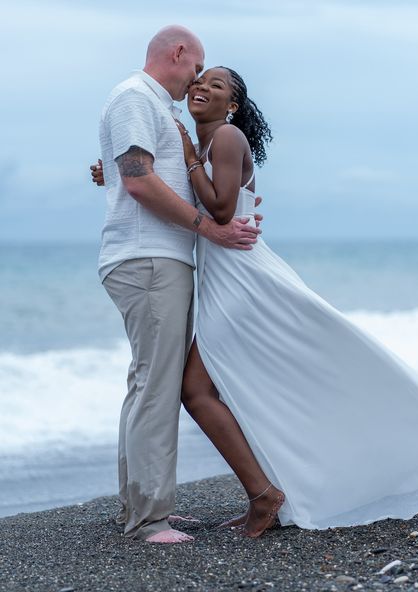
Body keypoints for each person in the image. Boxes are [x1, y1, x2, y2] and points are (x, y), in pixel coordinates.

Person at [93, 65, 418, 540]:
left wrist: (190, 158)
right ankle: (268, 491)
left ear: (231, 105)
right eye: (199, 80)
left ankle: (264, 495)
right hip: (223, 275)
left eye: (216, 85)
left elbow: (222, 209)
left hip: (242, 278)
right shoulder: (208, 143)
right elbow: (174, 186)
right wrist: (115, 169)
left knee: (195, 391)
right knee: (219, 388)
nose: (201, 88)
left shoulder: (227, 137)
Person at [97, 27, 261, 545]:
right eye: (198, 66)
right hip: (150, 259)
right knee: (157, 387)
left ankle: (139, 506)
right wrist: (209, 227)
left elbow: (143, 169)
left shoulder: (154, 108)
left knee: (148, 383)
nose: (196, 78)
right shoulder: (134, 98)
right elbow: (138, 179)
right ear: (178, 54)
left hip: (159, 258)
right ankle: (150, 518)